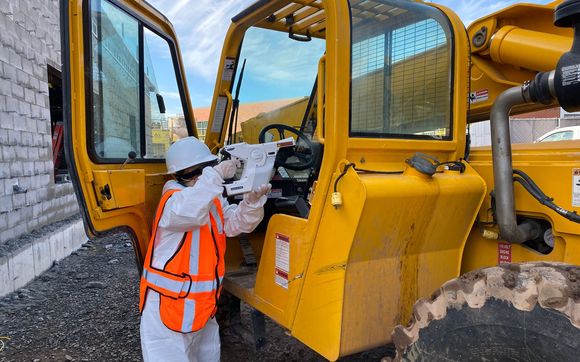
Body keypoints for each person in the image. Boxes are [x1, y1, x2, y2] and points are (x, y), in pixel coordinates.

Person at [139, 136, 270, 361]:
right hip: (167, 311)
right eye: (193, 173)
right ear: (177, 176)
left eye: (205, 169)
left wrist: (252, 202)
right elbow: (191, 210)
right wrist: (215, 175)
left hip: (202, 309)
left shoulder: (211, 199)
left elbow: (236, 224)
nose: (200, 177)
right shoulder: (173, 202)